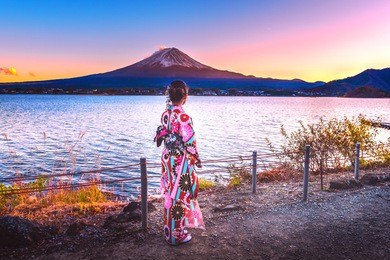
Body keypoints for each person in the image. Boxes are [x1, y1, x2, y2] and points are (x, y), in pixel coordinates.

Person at [154, 80, 205, 245]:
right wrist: (195, 158)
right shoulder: (183, 116)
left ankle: (168, 231)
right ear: (185, 97)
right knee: (179, 195)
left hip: (167, 157)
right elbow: (190, 141)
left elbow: (163, 134)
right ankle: (177, 235)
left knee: (170, 194)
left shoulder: (166, 114)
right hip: (179, 159)